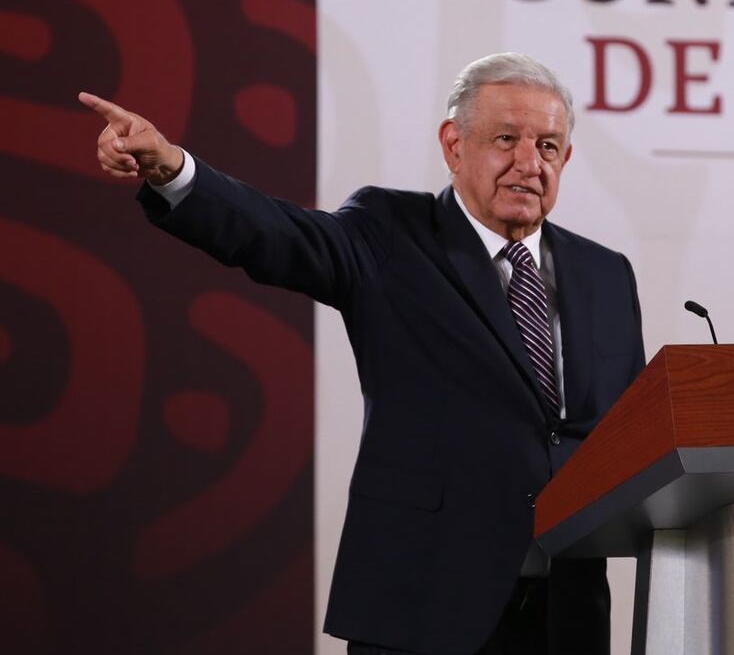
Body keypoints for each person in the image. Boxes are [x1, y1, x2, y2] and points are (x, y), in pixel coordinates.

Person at [80, 53, 645, 655]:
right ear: (454, 145)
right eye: (506, 139)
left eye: (550, 146)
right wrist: (173, 168)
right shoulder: (389, 232)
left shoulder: (604, 274)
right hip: (423, 602)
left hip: (568, 616)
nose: (529, 164)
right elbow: (278, 235)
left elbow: (625, 434)